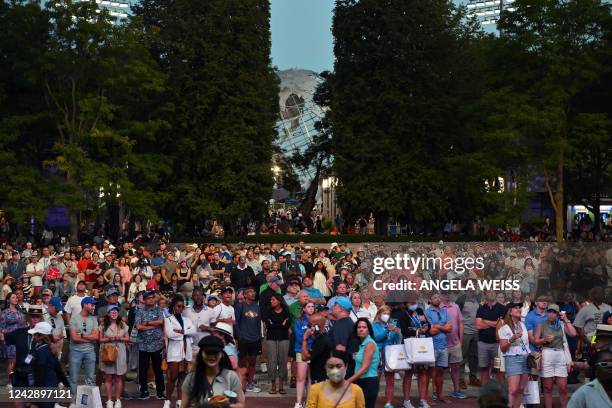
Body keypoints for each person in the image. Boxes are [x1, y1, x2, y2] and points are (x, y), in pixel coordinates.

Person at [181, 336, 245, 408]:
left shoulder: (231, 376)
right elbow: (183, 406)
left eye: (215, 353)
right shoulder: (191, 378)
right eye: (208, 353)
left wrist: (228, 405)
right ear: (201, 354)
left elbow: (241, 404)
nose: (212, 356)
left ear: (221, 354)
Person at [535, 304, 577, 408]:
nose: (551, 314)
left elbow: (573, 333)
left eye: (554, 312)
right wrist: (544, 340)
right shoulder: (541, 324)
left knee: (563, 388)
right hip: (547, 354)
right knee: (547, 388)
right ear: (547, 312)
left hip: (560, 354)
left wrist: (566, 319)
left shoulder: (562, 324)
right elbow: (535, 341)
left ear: (558, 314)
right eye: (549, 311)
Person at [164, 294, 196, 408]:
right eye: (178, 306)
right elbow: (170, 334)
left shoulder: (187, 319)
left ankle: (179, 401)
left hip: (186, 350)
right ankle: (167, 401)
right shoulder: (168, 320)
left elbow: (193, 331)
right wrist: (184, 333)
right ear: (173, 306)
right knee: (172, 377)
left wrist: (181, 332)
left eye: (182, 306)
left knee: (182, 377)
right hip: (174, 351)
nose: (180, 308)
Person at [29, 321, 70, 408]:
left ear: (40, 336)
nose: (33, 336)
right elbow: (58, 370)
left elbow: (40, 376)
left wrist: (34, 400)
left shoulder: (41, 352)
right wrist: (67, 385)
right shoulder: (48, 349)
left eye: (35, 334)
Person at [134, 290, 165, 399]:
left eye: (153, 297)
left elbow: (161, 322)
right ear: (145, 300)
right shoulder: (139, 311)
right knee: (143, 369)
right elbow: (138, 326)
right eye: (149, 298)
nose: (151, 299)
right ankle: (144, 391)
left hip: (157, 344)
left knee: (158, 369)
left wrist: (146, 323)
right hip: (143, 345)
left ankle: (160, 392)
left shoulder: (159, 310)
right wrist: (153, 325)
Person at [498, 303, 529, 408]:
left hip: (525, 358)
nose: (519, 309)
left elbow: (526, 344)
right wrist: (512, 339)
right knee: (513, 390)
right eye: (515, 308)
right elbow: (503, 348)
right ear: (510, 312)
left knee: (521, 389)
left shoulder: (523, 325)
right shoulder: (504, 328)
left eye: (519, 307)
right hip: (513, 358)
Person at [99, 304, 129, 408]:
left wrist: (119, 338)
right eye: (112, 311)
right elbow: (100, 339)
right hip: (108, 351)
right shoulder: (103, 325)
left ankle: (118, 400)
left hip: (120, 351)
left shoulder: (122, 324)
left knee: (119, 377)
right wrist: (109, 339)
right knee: (108, 377)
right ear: (108, 313)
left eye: (116, 311)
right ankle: (109, 400)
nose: (114, 313)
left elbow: (127, 338)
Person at [371, 306, 402, 408]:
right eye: (384, 313)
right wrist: (387, 331)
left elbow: (397, 341)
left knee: (390, 380)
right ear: (379, 314)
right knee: (376, 380)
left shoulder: (392, 325)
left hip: (390, 355)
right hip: (378, 355)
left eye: (388, 314)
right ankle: (372, 401)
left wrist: (397, 333)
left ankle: (388, 402)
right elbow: (376, 338)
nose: (386, 315)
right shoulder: (373, 325)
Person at [424, 293, 452, 403]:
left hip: (443, 346)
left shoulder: (444, 311)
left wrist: (437, 326)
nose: (437, 299)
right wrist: (442, 326)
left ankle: (440, 395)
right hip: (431, 346)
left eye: (439, 297)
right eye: (435, 297)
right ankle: (427, 398)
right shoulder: (427, 312)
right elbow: (430, 331)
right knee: (428, 373)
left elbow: (449, 328)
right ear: (430, 299)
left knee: (440, 373)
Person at [69, 296, 99, 398]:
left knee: (90, 378)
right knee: (73, 378)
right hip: (75, 351)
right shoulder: (74, 318)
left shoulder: (94, 318)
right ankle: (73, 401)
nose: (93, 307)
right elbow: (74, 338)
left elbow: (96, 336)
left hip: (90, 351)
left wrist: (81, 335)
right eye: (91, 305)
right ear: (85, 305)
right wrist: (89, 338)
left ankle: (89, 401)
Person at [234, 287, 262, 393]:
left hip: (255, 339)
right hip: (243, 339)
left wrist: (259, 336)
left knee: (252, 362)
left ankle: (250, 384)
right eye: (250, 292)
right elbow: (236, 322)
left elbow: (259, 323)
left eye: (254, 291)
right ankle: (242, 383)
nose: (253, 293)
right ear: (245, 295)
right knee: (242, 362)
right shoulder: (240, 306)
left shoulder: (257, 307)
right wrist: (239, 336)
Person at [347, 318, 379, 408]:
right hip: (361, 381)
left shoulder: (369, 344)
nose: (361, 329)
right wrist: (356, 356)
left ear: (369, 330)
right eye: (359, 327)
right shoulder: (363, 344)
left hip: (368, 382)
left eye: (364, 327)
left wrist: (348, 381)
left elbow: (365, 369)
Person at [263, 292, 291, 394]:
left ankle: (281, 385)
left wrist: (274, 324)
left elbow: (286, 326)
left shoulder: (286, 312)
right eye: (271, 300)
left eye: (273, 299)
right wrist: (281, 324)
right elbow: (268, 325)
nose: (271, 301)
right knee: (272, 361)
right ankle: (273, 385)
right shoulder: (268, 311)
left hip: (284, 338)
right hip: (271, 338)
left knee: (283, 361)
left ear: (279, 301)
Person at [476, 290, 506, 383]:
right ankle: (486, 393)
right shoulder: (481, 308)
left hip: (497, 344)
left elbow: (502, 325)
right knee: (484, 368)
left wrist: (485, 321)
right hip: (483, 343)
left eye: (493, 291)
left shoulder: (502, 308)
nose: (492, 293)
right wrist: (495, 323)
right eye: (489, 291)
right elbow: (478, 325)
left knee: (499, 369)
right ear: (485, 294)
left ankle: (500, 392)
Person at [440, 291, 466, 399]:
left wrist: (461, 340)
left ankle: (456, 390)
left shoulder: (455, 306)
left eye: (448, 293)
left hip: (455, 343)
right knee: (439, 370)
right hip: (441, 345)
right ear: (441, 295)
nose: (447, 295)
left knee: (456, 367)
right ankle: (437, 392)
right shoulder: (438, 308)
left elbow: (460, 323)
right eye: (445, 293)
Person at [0, 292, 27, 386]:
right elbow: (1, 328)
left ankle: (18, 381)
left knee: (19, 360)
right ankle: (10, 382)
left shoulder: (20, 311)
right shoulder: (5, 313)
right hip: (10, 339)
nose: (16, 299)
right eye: (13, 297)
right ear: (8, 300)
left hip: (21, 338)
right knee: (12, 361)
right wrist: (3, 339)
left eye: (16, 298)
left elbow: (24, 324)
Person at [294, 301, 315, 408]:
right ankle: (298, 402)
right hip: (301, 351)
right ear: (304, 309)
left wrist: (309, 336)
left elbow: (318, 337)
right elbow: (299, 337)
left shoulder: (317, 321)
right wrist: (307, 335)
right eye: (309, 306)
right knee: (301, 377)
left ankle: (309, 402)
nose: (311, 308)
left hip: (314, 352)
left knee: (311, 379)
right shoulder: (299, 321)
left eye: (312, 306)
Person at [301, 312, 333, 384]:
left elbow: (304, 357)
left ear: (316, 326)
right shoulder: (322, 338)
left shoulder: (321, 340)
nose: (307, 326)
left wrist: (305, 339)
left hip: (320, 380)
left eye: (310, 324)